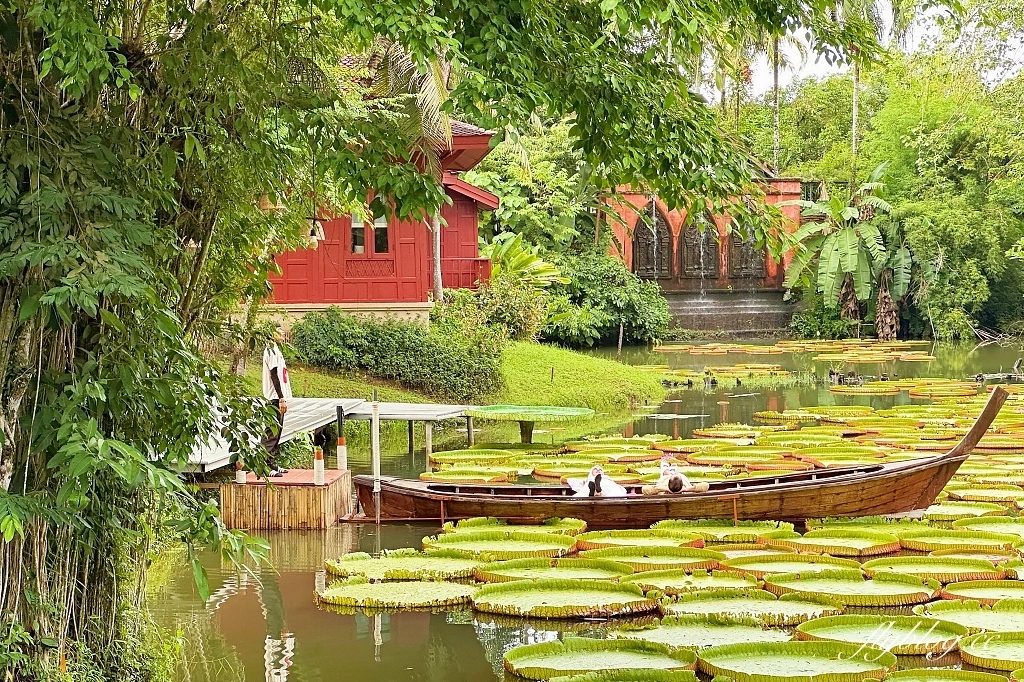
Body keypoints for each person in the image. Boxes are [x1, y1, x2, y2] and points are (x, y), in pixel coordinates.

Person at [262, 334, 292, 476]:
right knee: (271, 433)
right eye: (278, 330)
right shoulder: (271, 351)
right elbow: (274, 375)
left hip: (278, 397)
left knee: (277, 432)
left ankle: (271, 463)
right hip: (274, 398)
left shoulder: (276, 349)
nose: (282, 333)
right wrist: (281, 398)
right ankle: (263, 466)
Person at [641, 458, 710, 496]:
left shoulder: (662, 491)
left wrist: (665, 489)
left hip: (665, 479)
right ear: (682, 485)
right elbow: (706, 485)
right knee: (671, 473)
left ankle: (668, 469)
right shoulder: (687, 491)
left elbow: (644, 489)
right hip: (672, 481)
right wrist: (686, 489)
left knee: (666, 474)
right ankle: (672, 470)